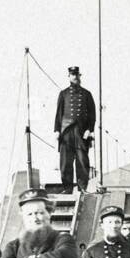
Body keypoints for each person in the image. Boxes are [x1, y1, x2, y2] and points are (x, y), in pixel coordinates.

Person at [54, 66, 96, 194]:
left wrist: (89, 129)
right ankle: (67, 188)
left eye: (77, 75)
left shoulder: (87, 94)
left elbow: (92, 115)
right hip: (66, 132)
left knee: (82, 160)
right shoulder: (63, 94)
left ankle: (82, 187)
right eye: (72, 75)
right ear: (69, 76)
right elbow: (58, 114)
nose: (75, 77)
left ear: (79, 76)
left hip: (81, 132)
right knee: (65, 161)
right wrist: (56, 130)